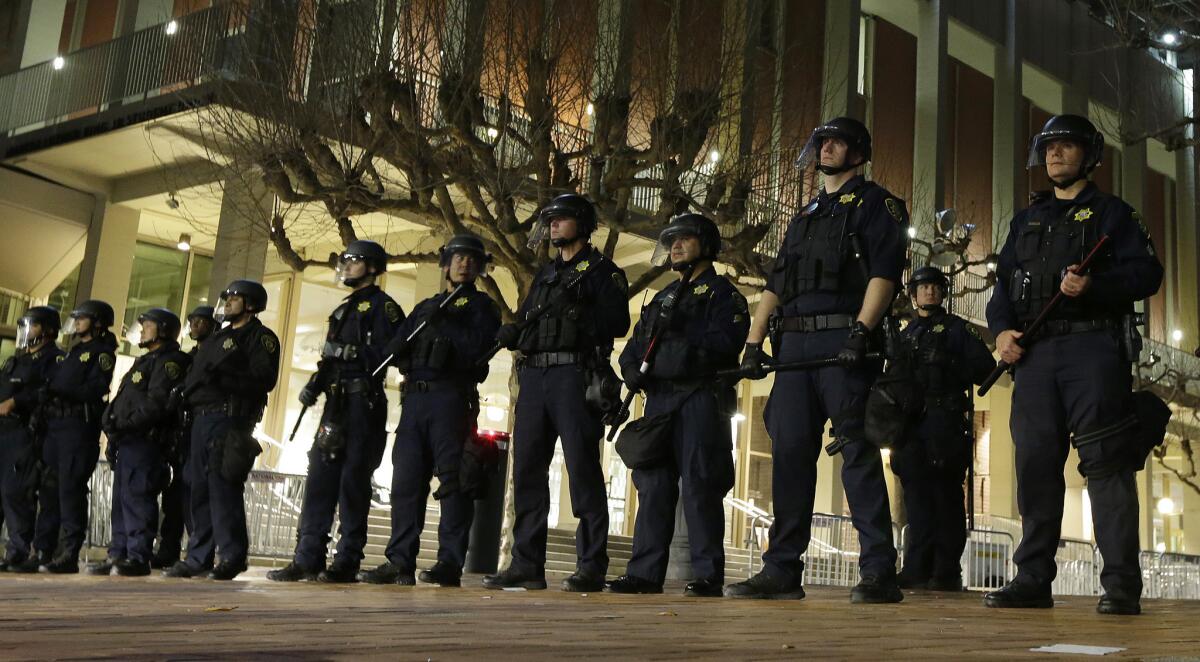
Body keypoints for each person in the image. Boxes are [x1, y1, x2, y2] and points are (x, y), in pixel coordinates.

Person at [983, 114, 1163, 615]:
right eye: (1048, 147)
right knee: (1035, 466)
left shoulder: (1113, 215)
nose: (1055, 155)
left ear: (1090, 155)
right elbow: (1002, 290)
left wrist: (1094, 287)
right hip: (1036, 359)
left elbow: (1148, 273)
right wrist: (1002, 333)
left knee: (1106, 466)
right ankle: (1033, 579)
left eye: (1066, 146)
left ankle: (1121, 586)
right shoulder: (1026, 220)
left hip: (1093, 353)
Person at [725, 117, 908, 603]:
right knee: (788, 458)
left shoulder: (876, 204)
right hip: (795, 350)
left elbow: (884, 275)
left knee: (856, 454)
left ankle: (878, 572)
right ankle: (782, 569)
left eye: (836, 142)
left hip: (844, 342)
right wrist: (752, 341)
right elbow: (777, 283)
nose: (826, 149)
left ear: (857, 152)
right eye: (822, 142)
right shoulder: (805, 214)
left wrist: (861, 331)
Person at [484, 193, 631, 592]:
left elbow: (619, 322)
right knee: (527, 468)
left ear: (581, 224)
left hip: (574, 374)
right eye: (550, 219)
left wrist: (581, 312)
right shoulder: (546, 274)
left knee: (582, 468)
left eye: (561, 219)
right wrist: (514, 331)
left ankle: (591, 564)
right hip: (535, 377)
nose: (552, 225)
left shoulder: (603, 271)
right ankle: (526, 563)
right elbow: (533, 318)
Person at [608, 213, 748, 597]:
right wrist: (630, 370)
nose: (676, 246)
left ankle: (707, 574)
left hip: (699, 397)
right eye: (672, 241)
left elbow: (728, 340)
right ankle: (644, 573)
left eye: (684, 239)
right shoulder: (663, 296)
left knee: (701, 485)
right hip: (658, 400)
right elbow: (637, 345)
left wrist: (684, 334)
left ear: (705, 244)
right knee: (652, 485)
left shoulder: (722, 293)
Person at [361, 234, 501, 587]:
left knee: (453, 482)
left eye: (471, 259)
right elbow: (399, 346)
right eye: (458, 257)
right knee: (406, 482)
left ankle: (449, 562)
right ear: (446, 263)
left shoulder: (482, 307)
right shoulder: (425, 307)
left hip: (451, 399)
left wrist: (449, 323)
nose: (464, 263)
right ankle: (399, 561)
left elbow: (478, 350)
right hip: (415, 401)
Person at [268, 240, 403, 583]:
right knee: (320, 478)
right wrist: (316, 382)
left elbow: (393, 353)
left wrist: (353, 355)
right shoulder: (342, 310)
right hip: (335, 405)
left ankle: (347, 559)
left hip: (363, 403)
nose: (346, 266)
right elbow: (330, 358)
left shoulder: (383, 308)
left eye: (353, 261)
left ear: (372, 266)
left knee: (352, 482)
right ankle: (307, 557)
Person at [166, 280, 280, 581]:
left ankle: (232, 555)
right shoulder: (218, 338)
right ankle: (198, 557)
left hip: (231, 419)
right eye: (226, 298)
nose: (227, 303)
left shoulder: (260, 337)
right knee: (198, 489)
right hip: (202, 419)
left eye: (234, 298)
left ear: (251, 304)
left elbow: (264, 379)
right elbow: (196, 376)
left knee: (223, 488)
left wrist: (226, 376)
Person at [890, 267, 994, 591]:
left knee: (946, 498)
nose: (930, 292)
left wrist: (949, 362)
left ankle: (946, 570)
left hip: (945, 423)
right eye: (923, 287)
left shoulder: (958, 330)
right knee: (916, 499)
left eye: (935, 286)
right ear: (913, 294)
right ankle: (916, 568)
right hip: (912, 427)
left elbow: (986, 372)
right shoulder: (905, 335)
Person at [95, 308, 190, 576]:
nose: (142, 330)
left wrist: (126, 424)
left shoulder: (170, 362)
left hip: (146, 441)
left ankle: (138, 556)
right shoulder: (145, 361)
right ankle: (119, 552)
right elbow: (126, 398)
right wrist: (111, 422)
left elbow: (157, 402)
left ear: (162, 329)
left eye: (147, 326)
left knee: (137, 497)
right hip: (128, 440)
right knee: (122, 499)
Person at [27, 300, 117, 574]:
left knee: (70, 490)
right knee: (50, 489)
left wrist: (62, 389)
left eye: (83, 318)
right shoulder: (75, 352)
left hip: (78, 428)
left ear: (97, 322)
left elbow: (95, 389)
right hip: (57, 426)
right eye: (76, 318)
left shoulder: (102, 353)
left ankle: (69, 551)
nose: (77, 322)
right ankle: (43, 550)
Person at [151, 305, 217, 568]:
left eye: (200, 321)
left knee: (196, 495)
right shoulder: (189, 357)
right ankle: (168, 548)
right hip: (182, 431)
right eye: (192, 321)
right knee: (174, 495)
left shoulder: (213, 355)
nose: (194, 325)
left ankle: (199, 553)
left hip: (201, 430)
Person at [0, 307, 64, 572]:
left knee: (16, 491)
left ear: (47, 330)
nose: (27, 331)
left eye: (33, 325)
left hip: (26, 432)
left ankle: (18, 550)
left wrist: (16, 401)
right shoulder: (17, 359)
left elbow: (49, 392)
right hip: (4, 431)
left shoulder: (55, 360)